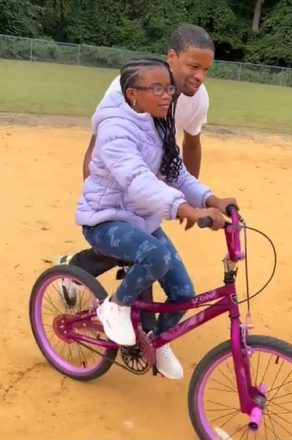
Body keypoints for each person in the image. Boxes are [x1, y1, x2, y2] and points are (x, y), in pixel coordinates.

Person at [77, 58, 236, 380]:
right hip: (106, 219)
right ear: (133, 95)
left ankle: (156, 340)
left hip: (141, 220)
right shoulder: (115, 130)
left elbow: (177, 175)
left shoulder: (159, 123)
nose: (167, 96)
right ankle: (116, 305)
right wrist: (185, 209)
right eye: (157, 89)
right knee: (157, 255)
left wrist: (211, 199)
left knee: (183, 294)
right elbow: (138, 181)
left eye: (169, 89)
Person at [54, 23, 215, 270]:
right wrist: (97, 200)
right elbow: (97, 143)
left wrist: (188, 201)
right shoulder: (128, 88)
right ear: (172, 57)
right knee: (124, 240)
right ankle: (75, 269)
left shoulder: (199, 98)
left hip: (149, 182)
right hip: (121, 177)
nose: (200, 77)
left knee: (140, 245)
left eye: (206, 70)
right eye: (193, 67)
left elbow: (192, 144)